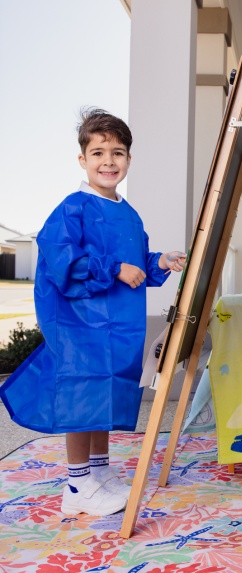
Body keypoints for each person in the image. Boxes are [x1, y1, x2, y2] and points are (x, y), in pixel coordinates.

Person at [0, 108, 187, 516]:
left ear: (129, 160)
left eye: (117, 152)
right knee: (83, 396)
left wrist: (160, 262)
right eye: (98, 152)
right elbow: (63, 260)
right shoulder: (73, 208)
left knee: (104, 394)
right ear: (83, 159)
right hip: (80, 322)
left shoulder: (128, 212)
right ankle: (77, 484)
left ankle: (98, 473)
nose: (108, 160)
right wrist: (114, 268)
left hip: (118, 325)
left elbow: (135, 263)